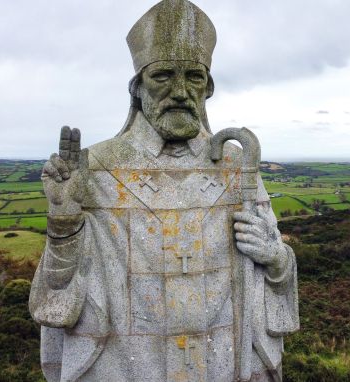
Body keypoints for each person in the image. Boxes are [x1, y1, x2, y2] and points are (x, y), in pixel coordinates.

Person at [29, 1, 298, 381]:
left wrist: (276, 261)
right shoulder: (94, 167)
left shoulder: (238, 168)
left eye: (194, 77)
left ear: (208, 88)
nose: (180, 91)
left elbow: (276, 262)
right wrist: (63, 223)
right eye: (162, 76)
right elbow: (56, 299)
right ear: (138, 87)